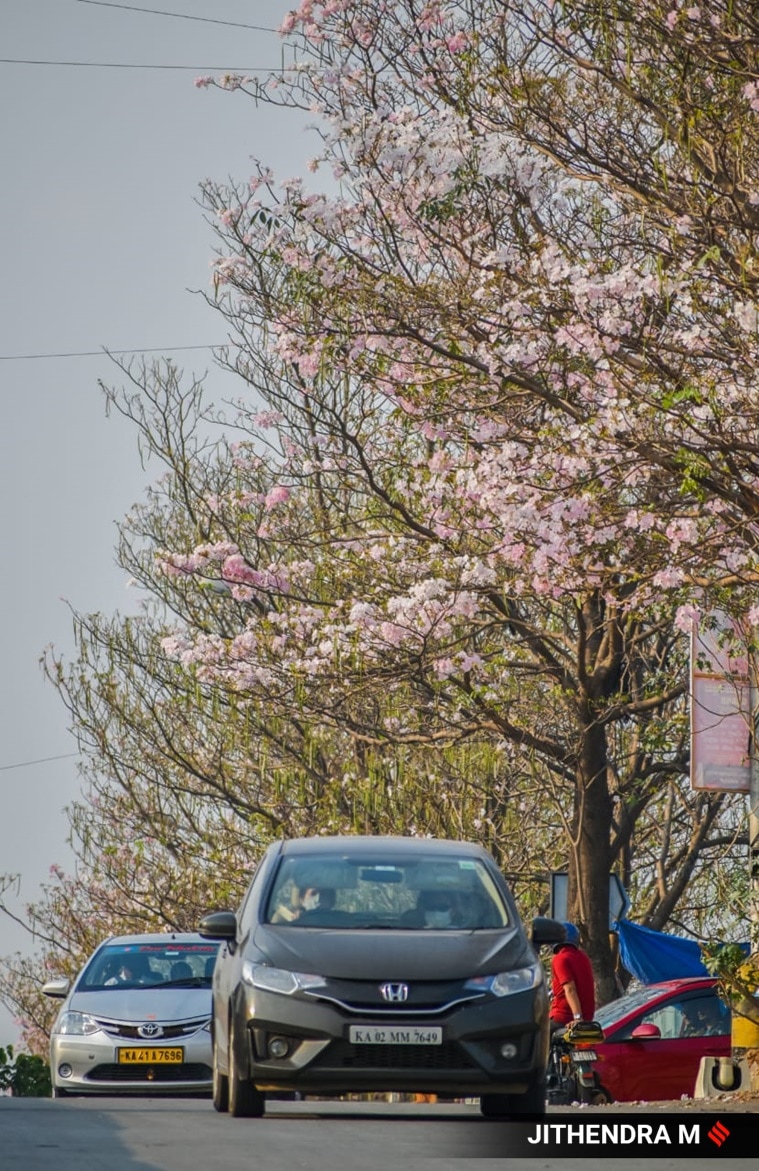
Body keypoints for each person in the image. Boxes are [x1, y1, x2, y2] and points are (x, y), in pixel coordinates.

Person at [549, 922, 595, 1032]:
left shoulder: (560, 958)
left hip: (563, 1018)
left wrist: (578, 1018)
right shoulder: (583, 958)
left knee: (531, 1036)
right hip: (588, 1018)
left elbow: (570, 989)